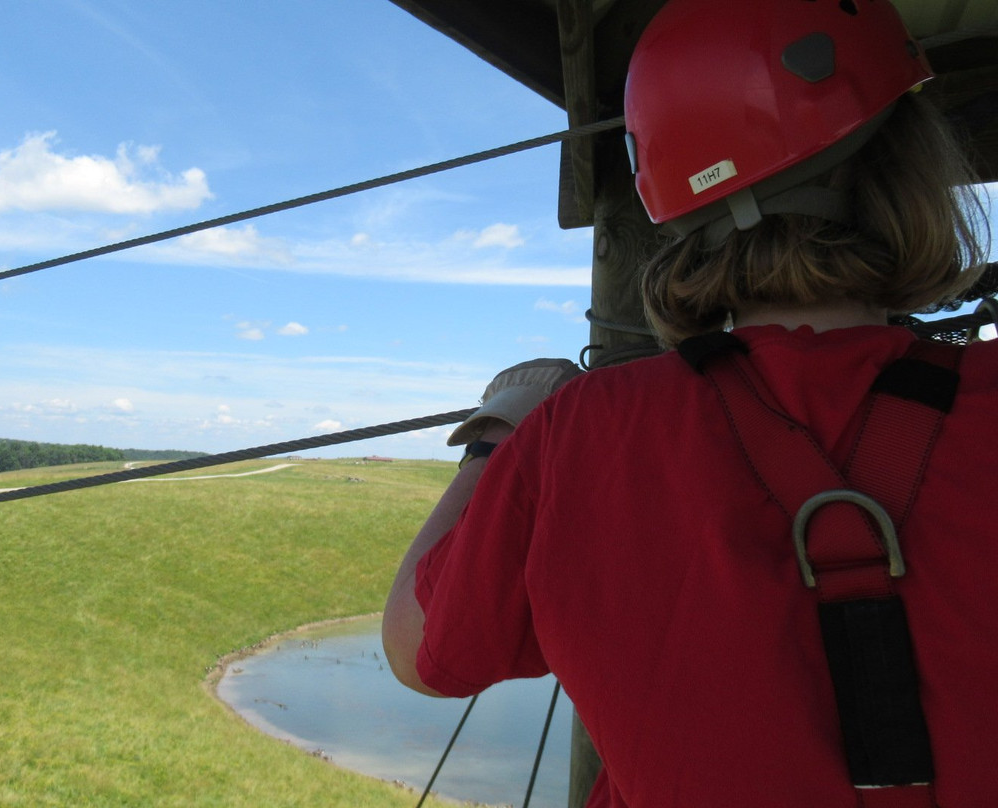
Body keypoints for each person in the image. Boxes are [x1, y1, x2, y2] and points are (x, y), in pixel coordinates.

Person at [383, 0, 996, 805]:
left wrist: (502, 434)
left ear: (676, 199)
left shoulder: (587, 429)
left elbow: (421, 652)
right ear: (905, 165)